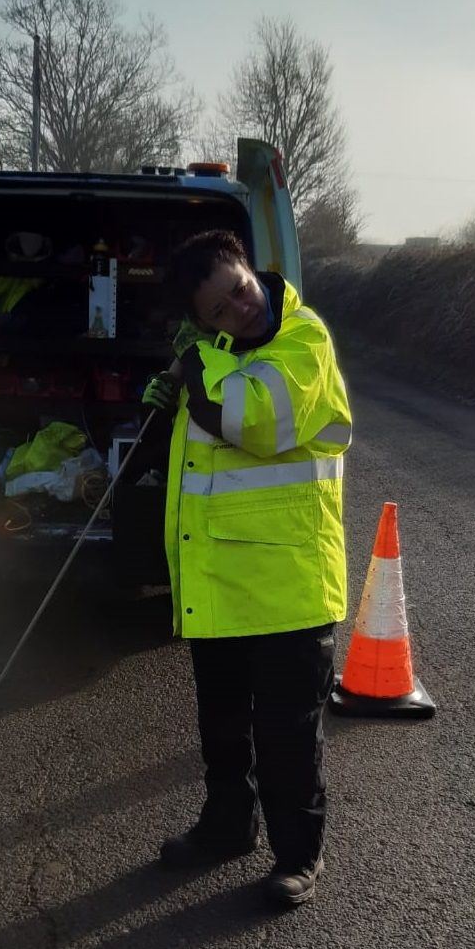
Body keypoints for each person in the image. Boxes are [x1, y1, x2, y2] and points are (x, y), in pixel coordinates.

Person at [142, 229, 352, 907]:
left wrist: (192, 367)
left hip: (290, 585)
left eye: (239, 289)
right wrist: (168, 398)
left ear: (251, 269)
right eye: (219, 312)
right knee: (223, 729)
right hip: (222, 584)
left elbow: (252, 419)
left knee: (287, 738)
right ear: (202, 322)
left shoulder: (304, 339)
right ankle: (227, 827)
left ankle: (298, 856)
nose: (241, 310)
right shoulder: (216, 355)